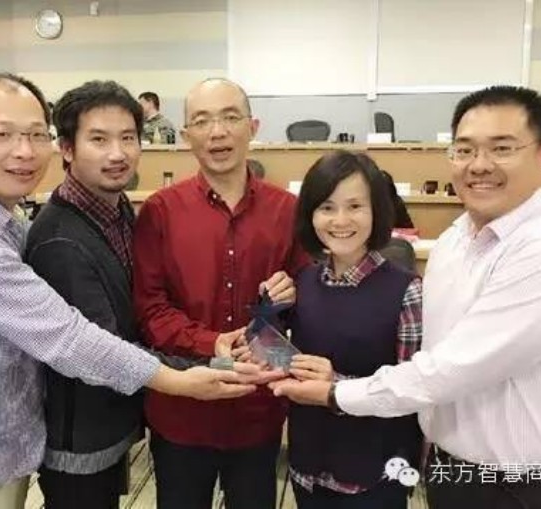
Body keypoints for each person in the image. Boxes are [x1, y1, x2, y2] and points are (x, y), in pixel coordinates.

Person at [0, 72, 261, 509]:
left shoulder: (16, 216)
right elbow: (71, 338)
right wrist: (182, 377)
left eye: (34, 134)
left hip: (10, 445)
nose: (23, 150)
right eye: (1, 135)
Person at [271, 85, 541, 509]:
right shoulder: (455, 241)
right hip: (455, 473)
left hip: (536, 488)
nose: (479, 165)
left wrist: (334, 392)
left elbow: (447, 370)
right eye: (465, 150)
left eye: (502, 148)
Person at [26, 80, 254, 509]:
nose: (118, 153)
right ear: (67, 148)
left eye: (128, 138)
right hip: (80, 440)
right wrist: (201, 366)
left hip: (113, 422)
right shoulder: (60, 240)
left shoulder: (115, 211)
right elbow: (102, 350)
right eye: (99, 139)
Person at [133, 77, 308, 509]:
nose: (217, 132)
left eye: (230, 117)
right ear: (186, 134)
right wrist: (213, 342)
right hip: (182, 411)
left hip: (258, 411)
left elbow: (308, 310)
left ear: (253, 126)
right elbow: (151, 309)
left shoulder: (288, 211)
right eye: (202, 121)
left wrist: (293, 296)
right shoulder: (160, 211)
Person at [285, 150, 422, 509]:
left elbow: (413, 389)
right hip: (307, 467)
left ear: (377, 211)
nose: (340, 220)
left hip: (373, 475)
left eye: (355, 206)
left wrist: (335, 386)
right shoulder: (303, 281)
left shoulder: (406, 290)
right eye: (327, 207)